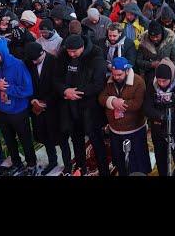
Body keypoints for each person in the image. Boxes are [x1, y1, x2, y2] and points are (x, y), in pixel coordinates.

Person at [54, 34, 109, 176]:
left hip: (90, 108)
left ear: (82, 48)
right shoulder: (63, 55)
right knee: (76, 140)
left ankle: (104, 170)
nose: (72, 55)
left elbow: (98, 84)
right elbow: (56, 78)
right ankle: (81, 168)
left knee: (96, 140)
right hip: (70, 107)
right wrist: (65, 91)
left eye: (75, 52)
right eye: (69, 52)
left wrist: (77, 93)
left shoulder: (96, 55)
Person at [0, 37, 38, 176]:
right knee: (9, 140)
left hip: (18, 111)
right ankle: (17, 163)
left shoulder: (18, 65)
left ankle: (32, 164)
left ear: (2, 53)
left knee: (25, 139)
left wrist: (8, 89)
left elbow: (28, 90)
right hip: (3, 110)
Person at [23, 42, 70, 175]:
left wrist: (45, 102)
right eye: (32, 60)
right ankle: (53, 161)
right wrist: (33, 100)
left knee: (62, 140)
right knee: (46, 137)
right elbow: (27, 82)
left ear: (42, 53)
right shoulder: (29, 62)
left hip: (55, 108)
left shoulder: (55, 62)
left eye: (36, 60)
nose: (34, 62)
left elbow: (59, 86)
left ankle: (67, 166)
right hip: (37, 107)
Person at [99, 56, 151, 176]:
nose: (116, 77)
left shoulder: (138, 82)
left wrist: (121, 103)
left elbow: (138, 103)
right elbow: (101, 98)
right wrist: (112, 101)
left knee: (137, 160)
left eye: (119, 75)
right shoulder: (109, 81)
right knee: (120, 160)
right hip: (115, 129)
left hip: (135, 129)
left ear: (127, 71)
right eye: (114, 74)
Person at [143, 58, 175, 176]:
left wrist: (172, 117)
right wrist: (161, 116)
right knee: (160, 155)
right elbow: (147, 107)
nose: (161, 84)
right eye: (159, 80)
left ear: (171, 78)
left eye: (164, 81)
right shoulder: (152, 84)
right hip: (158, 126)